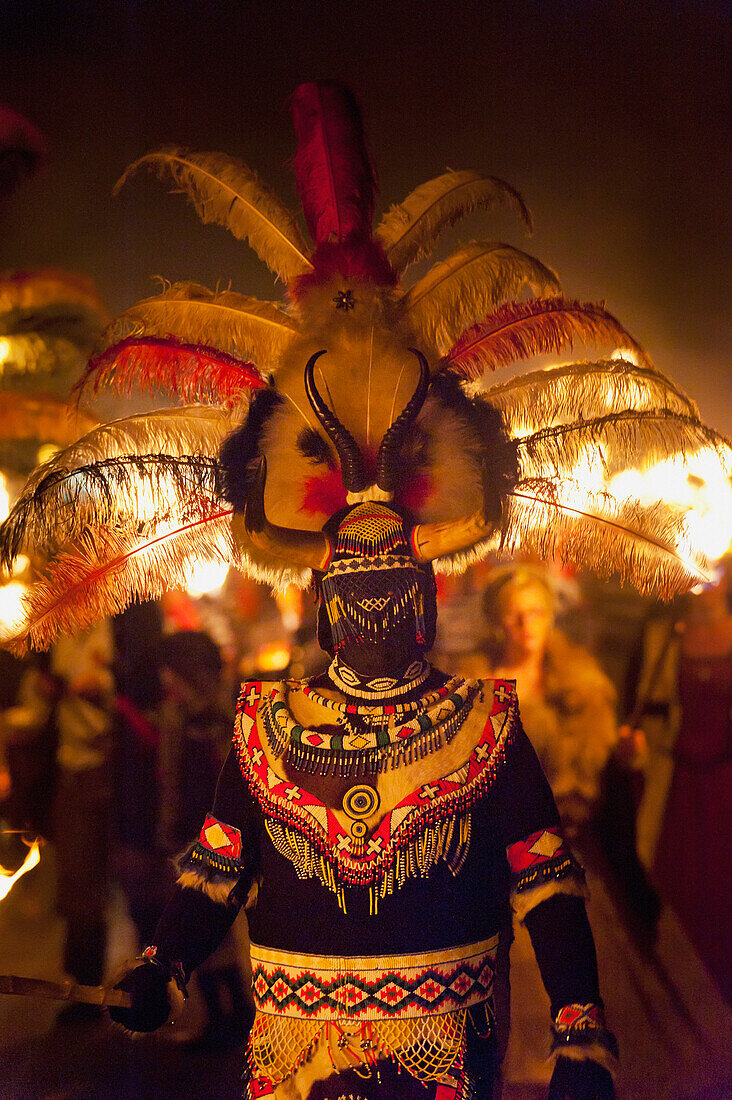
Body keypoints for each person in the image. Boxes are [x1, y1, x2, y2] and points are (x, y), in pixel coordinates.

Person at [109, 363, 618, 1099]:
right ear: (327, 610)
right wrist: (164, 964)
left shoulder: (484, 720)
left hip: (447, 1052)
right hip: (296, 1055)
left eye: (391, 596)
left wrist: (578, 1033)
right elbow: (218, 870)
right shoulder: (268, 725)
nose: (375, 617)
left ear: (423, 606)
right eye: (358, 598)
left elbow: (545, 883)